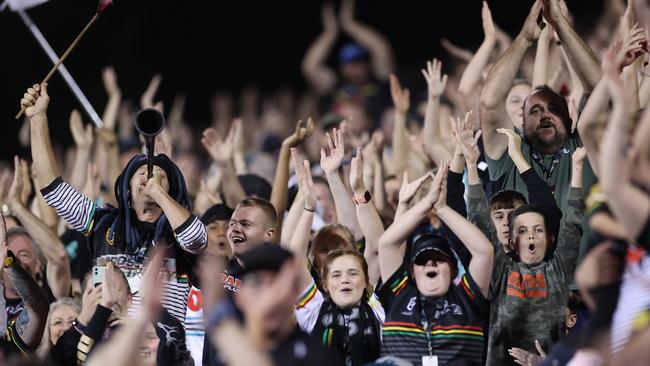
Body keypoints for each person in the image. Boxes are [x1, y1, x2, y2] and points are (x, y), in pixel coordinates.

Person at [21, 83, 207, 323]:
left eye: (160, 175)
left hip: (160, 350)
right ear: (127, 189)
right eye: (139, 173)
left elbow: (196, 238)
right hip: (107, 345)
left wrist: (159, 194)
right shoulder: (102, 224)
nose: (147, 176)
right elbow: (52, 189)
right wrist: (37, 119)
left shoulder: (178, 234)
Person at [479, 0, 594, 212]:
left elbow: (595, 88)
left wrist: (562, 28)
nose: (543, 114)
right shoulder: (505, 155)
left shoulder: (578, 144)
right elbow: (489, 101)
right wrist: (525, 39)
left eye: (551, 108)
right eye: (518, 103)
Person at [377, 165, 493, 365]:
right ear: (412, 272)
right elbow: (387, 244)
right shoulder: (399, 294)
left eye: (439, 259)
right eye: (422, 260)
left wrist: (441, 208)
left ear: (453, 269)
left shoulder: (467, 297)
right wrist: (425, 203)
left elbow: (484, 251)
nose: (430, 262)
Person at [288, 148, 384, 365]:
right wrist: (309, 207)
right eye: (337, 275)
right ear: (325, 282)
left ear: (366, 280)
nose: (345, 280)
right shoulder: (313, 310)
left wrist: (359, 191)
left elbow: (378, 246)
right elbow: (294, 260)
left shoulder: (376, 305)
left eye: (352, 273)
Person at [204, 245, 337, 366]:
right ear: (241, 296)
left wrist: (220, 320)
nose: (269, 296)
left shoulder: (317, 355)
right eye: (258, 284)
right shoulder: (221, 350)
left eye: (276, 284)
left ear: (294, 291)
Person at [302, 0, 393, 125]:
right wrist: (330, 33)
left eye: (360, 62)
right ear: (342, 67)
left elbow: (382, 49)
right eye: (351, 63)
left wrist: (350, 24)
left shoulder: (378, 81)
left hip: (373, 138)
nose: (357, 67)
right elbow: (310, 67)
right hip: (337, 138)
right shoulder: (334, 85)